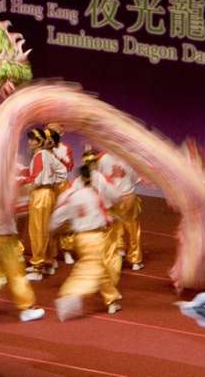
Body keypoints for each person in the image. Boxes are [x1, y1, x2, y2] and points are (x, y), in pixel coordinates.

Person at [50, 164, 122, 321]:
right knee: (90, 269)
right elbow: (105, 214)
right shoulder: (94, 194)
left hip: (80, 238)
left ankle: (112, 300)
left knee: (99, 268)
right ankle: (70, 293)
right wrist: (111, 219)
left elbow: (58, 215)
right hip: (95, 237)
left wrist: (53, 228)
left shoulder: (70, 195)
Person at [18, 128, 67, 281]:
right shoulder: (47, 155)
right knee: (46, 229)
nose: (29, 142)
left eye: (33, 139)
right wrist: (52, 181)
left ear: (39, 141)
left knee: (38, 231)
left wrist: (20, 180)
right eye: (30, 139)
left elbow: (36, 178)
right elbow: (63, 171)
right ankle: (48, 262)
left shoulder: (40, 155)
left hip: (40, 195)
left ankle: (38, 267)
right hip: (49, 193)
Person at [97, 151, 144, 271]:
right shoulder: (129, 158)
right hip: (127, 197)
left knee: (115, 228)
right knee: (133, 228)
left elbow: (98, 178)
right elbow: (134, 178)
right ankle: (135, 260)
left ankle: (118, 252)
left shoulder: (103, 158)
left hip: (112, 198)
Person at [46, 123, 76, 265]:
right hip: (48, 186)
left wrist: (58, 155)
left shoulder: (65, 148)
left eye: (54, 132)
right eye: (48, 131)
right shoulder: (42, 148)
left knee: (65, 220)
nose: (50, 134)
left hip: (62, 185)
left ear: (61, 133)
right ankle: (51, 255)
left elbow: (69, 166)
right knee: (48, 221)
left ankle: (67, 250)